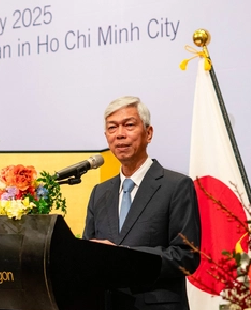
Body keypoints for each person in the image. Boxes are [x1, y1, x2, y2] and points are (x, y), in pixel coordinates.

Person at [83, 96, 201, 310]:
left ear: (148, 133)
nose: (120, 134)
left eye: (129, 125)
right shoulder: (99, 193)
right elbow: (88, 252)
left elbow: (187, 256)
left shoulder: (176, 186)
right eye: (112, 128)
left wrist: (125, 255)